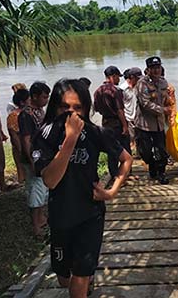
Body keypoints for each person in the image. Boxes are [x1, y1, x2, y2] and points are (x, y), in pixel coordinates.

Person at [33, 78, 132, 298]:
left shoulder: (96, 132)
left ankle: (85, 280)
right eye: (65, 107)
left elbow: (126, 159)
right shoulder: (45, 135)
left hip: (90, 213)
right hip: (61, 216)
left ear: (86, 108)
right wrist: (70, 139)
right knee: (63, 278)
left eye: (77, 107)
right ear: (55, 107)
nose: (71, 113)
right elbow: (50, 180)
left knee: (81, 275)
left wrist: (111, 191)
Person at [19, 82, 51, 236]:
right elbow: (26, 140)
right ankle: (36, 226)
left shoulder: (39, 111)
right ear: (35, 96)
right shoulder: (26, 115)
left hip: (43, 155)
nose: (46, 100)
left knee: (43, 189)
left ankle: (41, 218)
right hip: (34, 157)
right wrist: (32, 161)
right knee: (36, 190)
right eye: (44, 97)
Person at [135, 56, 171, 184]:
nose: (156, 70)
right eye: (153, 68)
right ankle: (152, 165)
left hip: (159, 124)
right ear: (148, 70)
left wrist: (169, 110)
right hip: (144, 124)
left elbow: (166, 98)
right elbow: (145, 103)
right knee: (145, 151)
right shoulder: (142, 84)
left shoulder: (163, 82)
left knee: (161, 149)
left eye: (158, 67)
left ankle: (161, 173)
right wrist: (163, 110)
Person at [93, 66, 131, 179]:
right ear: (113, 76)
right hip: (117, 123)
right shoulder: (116, 91)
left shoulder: (97, 91)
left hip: (105, 123)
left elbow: (96, 108)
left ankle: (114, 174)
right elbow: (120, 110)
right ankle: (126, 174)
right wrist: (125, 126)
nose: (119, 80)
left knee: (111, 149)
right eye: (118, 77)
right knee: (125, 148)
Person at [6, 88, 30, 183]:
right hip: (19, 146)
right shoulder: (14, 115)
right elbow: (14, 135)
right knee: (21, 168)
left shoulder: (28, 113)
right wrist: (20, 149)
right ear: (22, 102)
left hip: (27, 145)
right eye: (28, 99)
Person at [120, 67, 142, 149]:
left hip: (139, 117)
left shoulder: (139, 87)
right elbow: (120, 106)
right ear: (132, 77)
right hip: (128, 117)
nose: (139, 80)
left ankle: (139, 153)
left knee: (140, 138)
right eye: (137, 78)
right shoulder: (122, 89)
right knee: (131, 138)